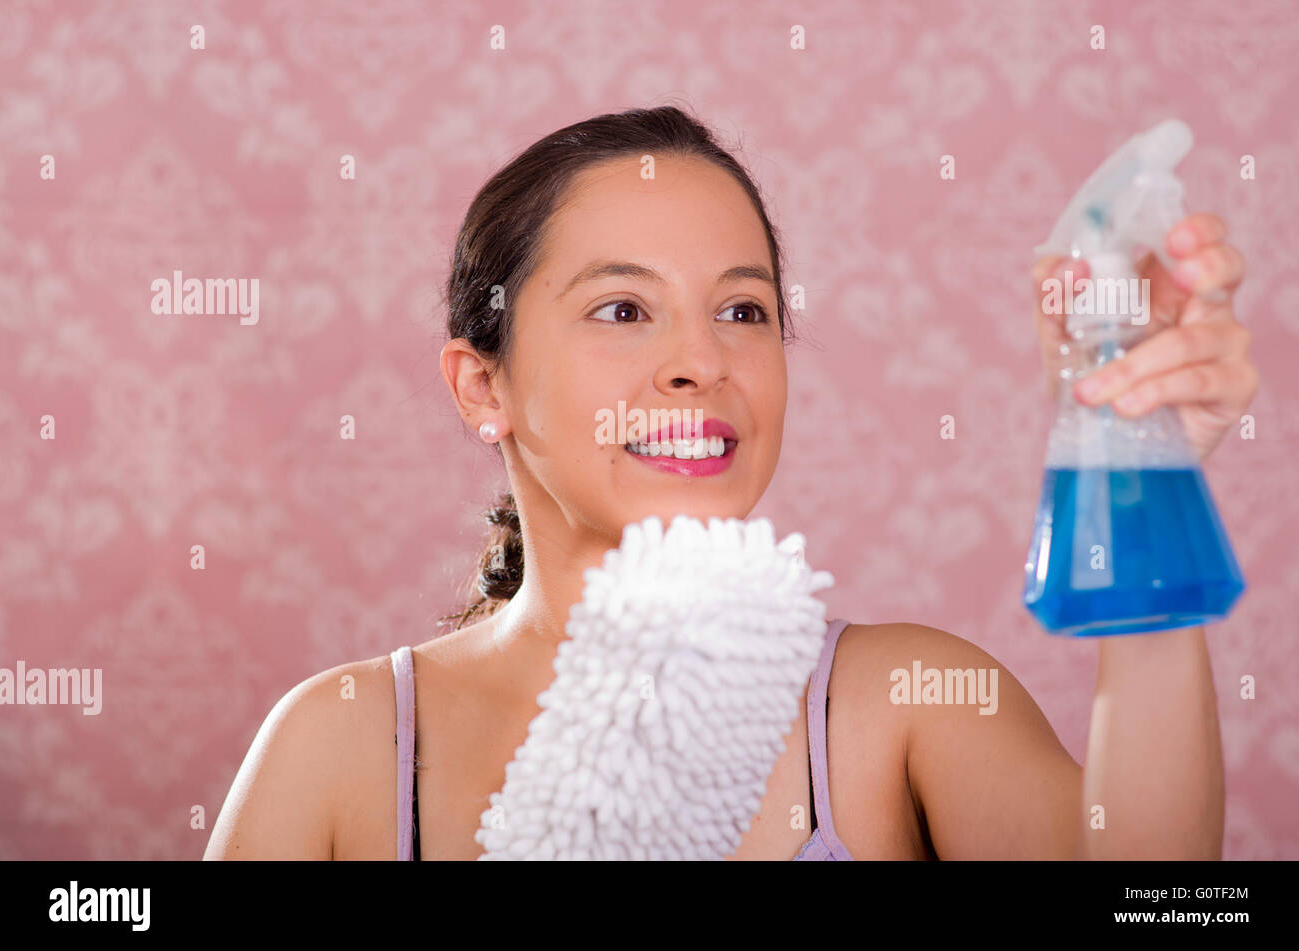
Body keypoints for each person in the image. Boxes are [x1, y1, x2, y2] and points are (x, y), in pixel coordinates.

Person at [204, 104, 1257, 860]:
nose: (700, 361)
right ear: (483, 386)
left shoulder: (897, 707)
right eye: (622, 310)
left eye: (743, 311)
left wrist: (1135, 458)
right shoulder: (343, 742)